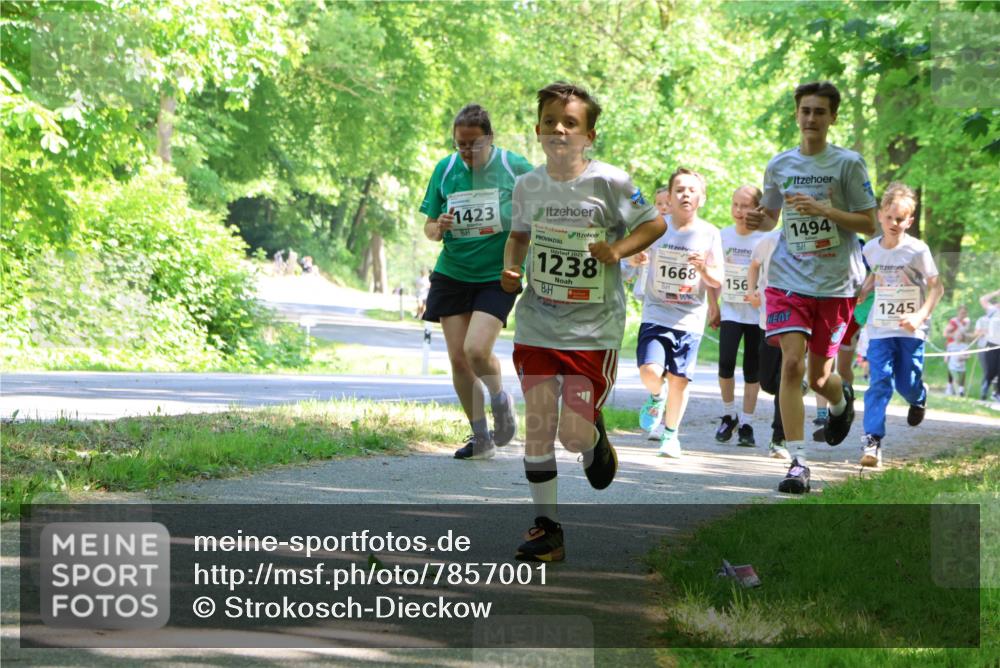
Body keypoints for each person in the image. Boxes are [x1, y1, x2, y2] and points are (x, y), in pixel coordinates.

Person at [500, 82, 665, 561]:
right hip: (537, 322)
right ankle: (547, 530)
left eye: (570, 122)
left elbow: (654, 224)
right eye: (551, 120)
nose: (559, 129)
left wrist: (615, 250)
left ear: (589, 134)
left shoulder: (611, 182)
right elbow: (518, 238)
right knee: (538, 424)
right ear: (537, 129)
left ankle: (594, 441)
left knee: (571, 434)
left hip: (592, 330)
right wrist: (511, 270)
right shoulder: (527, 184)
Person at [745, 80, 878, 494]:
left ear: (832, 117)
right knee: (791, 365)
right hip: (787, 279)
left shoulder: (848, 164)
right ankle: (797, 462)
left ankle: (840, 403)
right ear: (796, 114)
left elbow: (868, 223)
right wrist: (758, 221)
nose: (811, 118)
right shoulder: (779, 165)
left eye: (820, 112)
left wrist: (826, 210)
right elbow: (770, 216)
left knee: (821, 377)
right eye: (805, 110)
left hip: (835, 284)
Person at [420, 104, 534, 459]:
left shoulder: (513, 167)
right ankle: (480, 436)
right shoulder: (445, 169)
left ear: (490, 139)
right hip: (453, 273)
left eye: (474, 144)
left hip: (496, 275)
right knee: (458, 359)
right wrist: (438, 227)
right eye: (461, 145)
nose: (467, 152)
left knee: (476, 350)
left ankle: (501, 401)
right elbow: (428, 229)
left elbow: (547, 201)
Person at [632, 168, 723, 457]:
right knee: (649, 371)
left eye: (692, 190)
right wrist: (638, 257)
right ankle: (656, 397)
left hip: (690, 318)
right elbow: (633, 256)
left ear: (702, 198)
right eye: (679, 189)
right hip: (657, 311)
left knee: (679, 379)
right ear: (669, 197)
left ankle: (670, 436)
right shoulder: (655, 226)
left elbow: (717, 279)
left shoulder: (710, 233)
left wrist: (703, 269)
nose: (686, 194)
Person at [856, 182, 944, 467]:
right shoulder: (870, 249)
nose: (894, 223)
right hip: (880, 327)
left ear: (910, 220)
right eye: (890, 217)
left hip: (910, 328)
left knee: (906, 384)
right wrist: (864, 290)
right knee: (879, 381)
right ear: (881, 215)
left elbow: (937, 287)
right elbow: (876, 274)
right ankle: (872, 440)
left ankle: (918, 396)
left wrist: (920, 316)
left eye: (901, 219)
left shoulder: (917, 250)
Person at [710, 185, 765, 447]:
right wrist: (713, 304)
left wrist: (760, 294)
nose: (739, 211)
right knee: (726, 362)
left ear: (758, 209)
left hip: (755, 314)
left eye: (745, 206)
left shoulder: (764, 239)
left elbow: (772, 278)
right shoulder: (723, 236)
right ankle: (729, 414)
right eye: (735, 205)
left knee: (752, 370)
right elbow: (715, 275)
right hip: (731, 309)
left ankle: (747, 423)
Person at [747, 229, 790, 460]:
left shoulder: (811, 242)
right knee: (767, 382)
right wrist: (752, 290)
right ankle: (792, 387)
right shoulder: (769, 240)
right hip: (768, 319)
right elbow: (754, 265)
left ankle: (779, 438)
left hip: (796, 320)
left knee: (785, 380)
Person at [974, 289, 1000, 400]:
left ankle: (997, 393)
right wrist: (996, 293)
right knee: (990, 369)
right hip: (991, 344)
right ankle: (984, 390)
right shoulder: (992, 310)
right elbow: (983, 299)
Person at [944, 304, 971, 396]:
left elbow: (967, 335)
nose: (963, 314)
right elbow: (945, 334)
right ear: (958, 312)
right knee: (951, 368)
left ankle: (960, 389)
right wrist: (956, 336)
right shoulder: (953, 322)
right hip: (952, 346)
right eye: (961, 312)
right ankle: (950, 387)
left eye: (965, 313)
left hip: (962, 347)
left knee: (961, 367)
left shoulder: (966, 322)